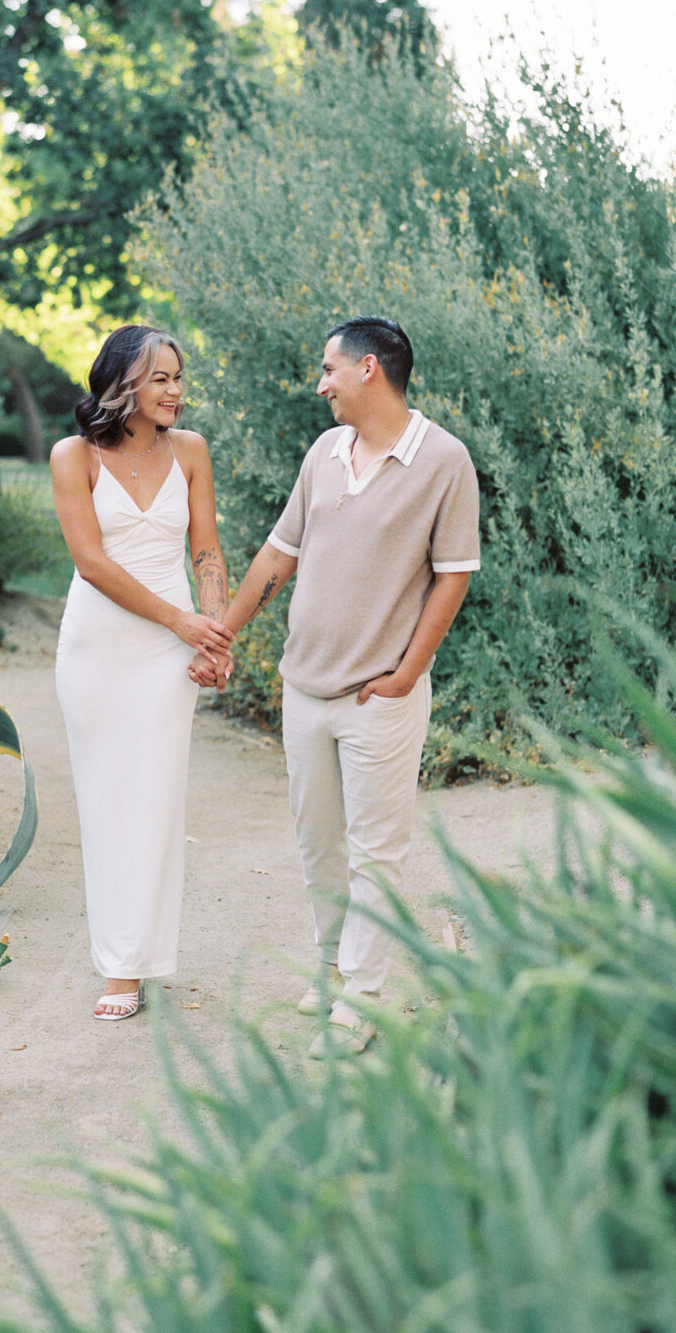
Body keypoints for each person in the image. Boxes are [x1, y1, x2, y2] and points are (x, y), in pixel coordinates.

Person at [193, 316, 479, 1053]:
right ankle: (330, 968)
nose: (320, 384)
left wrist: (408, 673)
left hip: (377, 697)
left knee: (375, 853)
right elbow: (276, 557)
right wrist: (220, 632)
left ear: (369, 370)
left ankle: (362, 1001)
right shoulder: (324, 452)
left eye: (328, 369)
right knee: (318, 845)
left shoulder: (445, 460)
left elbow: (452, 579)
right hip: (304, 689)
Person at [51, 325, 232, 1021]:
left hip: (167, 653)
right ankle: (119, 962)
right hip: (97, 649)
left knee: (155, 801)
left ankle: (134, 964)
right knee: (105, 802)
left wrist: (213, 633)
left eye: (179, 378)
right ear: (123, 381)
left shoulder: (190, 452)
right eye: (161, 378)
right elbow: (91, 563)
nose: (177, 391)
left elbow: (207, 552)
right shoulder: (75, 456)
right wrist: (180, 619)